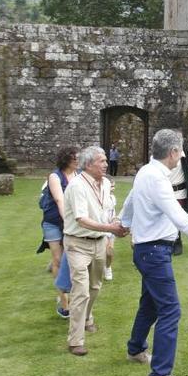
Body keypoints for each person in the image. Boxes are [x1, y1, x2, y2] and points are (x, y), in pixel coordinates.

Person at [119, 129, 188, 376]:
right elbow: (176, 213)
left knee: (150, 305)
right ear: (172, 153)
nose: (180, 155)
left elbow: (130, 202)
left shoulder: (146, 172)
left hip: (148, 250)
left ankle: (135, 349)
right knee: (171, 310)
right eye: (179, 151)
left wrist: (123, 223)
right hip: (153, 252)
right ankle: (161, 374)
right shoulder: (157, 177)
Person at [62, 146, 128, 356]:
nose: (106, 164)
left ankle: (88, 318)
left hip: (99, 242)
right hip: (77, 243)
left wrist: (115, 222)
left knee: (95, 287)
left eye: (106, 160)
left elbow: (107, 210)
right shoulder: (76, 186)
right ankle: (75, 340)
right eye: (101, 161)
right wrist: (111, 229)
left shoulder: (106, 183)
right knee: (80, 290)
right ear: (88, 164)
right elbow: (81, 219)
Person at [37, 146, 79, 318]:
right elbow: (60, 200)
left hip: (72, 223)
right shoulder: (55, 177)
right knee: (57, 259)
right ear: (66, 159)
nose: (78, 160)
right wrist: (68, 222)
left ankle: (71, 293)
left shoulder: (79, 176)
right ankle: (64, 302)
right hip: (53, 222)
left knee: (72, 260)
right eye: (75, 158)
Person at [103, 176, 117, 281]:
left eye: (113, 186)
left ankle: (107, 267)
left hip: (111, 227)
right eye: (111, 186)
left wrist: (114, 220)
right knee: (103, 251)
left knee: (109, 252)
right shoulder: (99, 197)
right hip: (101, 227)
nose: (113, 188)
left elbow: (112, 211)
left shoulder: (113, 198)